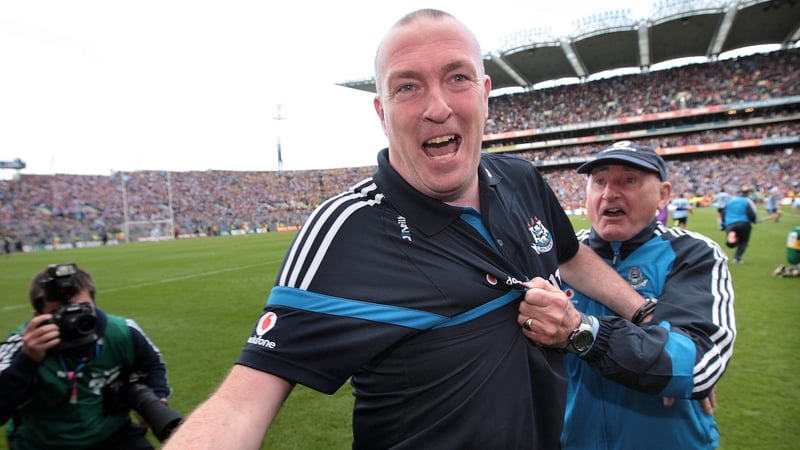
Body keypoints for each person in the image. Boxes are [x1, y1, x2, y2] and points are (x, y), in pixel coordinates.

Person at [164, 9, 649, 449]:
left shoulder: (521, 179)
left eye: (457, 77)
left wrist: (643, 312)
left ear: (485, 93)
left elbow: (569, 255)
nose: (437, 107)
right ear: (382, 112)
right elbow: (242, 403)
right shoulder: (346, 230)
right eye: (408, 87)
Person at [518, 140, 736, 449]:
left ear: (664, 195)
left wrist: (582, 333)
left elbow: (695, 365)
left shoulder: (692, 253)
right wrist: (658, 351)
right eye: (600, 181)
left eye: (629, 180)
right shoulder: (546, 256)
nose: (610, 193)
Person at [0, 263, 172, 450]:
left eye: (83, 308)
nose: (74, 319)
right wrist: (27, 359)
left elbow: (153, 364)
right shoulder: (22, 344)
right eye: (60, 313)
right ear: (37, 316)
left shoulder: (121, 331)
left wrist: (157, 396)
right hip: (43, 444)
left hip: (113, 433)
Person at [723, 186, 758, 264]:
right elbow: (751, 213)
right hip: (743, 223)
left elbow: (724, 213)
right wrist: (753, 220)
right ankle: (736, 258)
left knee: (733, 242)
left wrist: (723, 224)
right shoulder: (746, 201)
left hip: (730, 223)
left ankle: (732, 240)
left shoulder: (730, 201)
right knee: (743, 242)